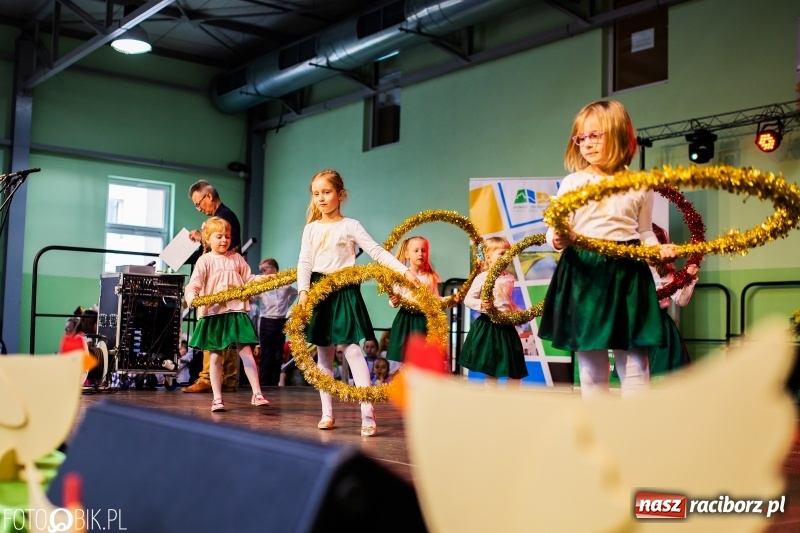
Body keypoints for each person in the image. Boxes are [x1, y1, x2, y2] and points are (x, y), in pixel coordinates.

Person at [537, 100, 677, 398]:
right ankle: (597, 430)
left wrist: (659, 252)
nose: (586, 144)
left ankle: (635, 431)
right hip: (585, 273)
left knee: (636, 360)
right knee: (590, 362)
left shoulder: (639, 184)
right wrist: (558, 238)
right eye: (580, 138)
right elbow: (555, 229)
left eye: (594, 135)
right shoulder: (574, 182)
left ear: (617, 134)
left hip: (627, 273)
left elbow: (643, 232)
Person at [297, 168, 420, 436]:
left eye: (327, 192)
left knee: (352, 349)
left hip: (343, 290)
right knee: (323, 354)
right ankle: (326, 412)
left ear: (340, 194)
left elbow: (376, 251)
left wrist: (405, 271)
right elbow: (305, 260)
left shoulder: (350, 225)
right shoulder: (311, 229)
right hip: (319, 291)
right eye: (316, 193)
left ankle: (367, 412)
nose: (321, 198)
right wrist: (304, 290)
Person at [184, 216, 269, 412]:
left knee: (246, 352)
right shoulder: (204, 260)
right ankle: (217, 398)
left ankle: (257, 393)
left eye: (227, 236)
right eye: (219, 236)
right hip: (214, 313)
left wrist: (266, 280)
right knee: (215, 357)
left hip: (235, 311)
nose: (224, 240)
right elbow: (195, 283)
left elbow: (249, 279)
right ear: (208, 239)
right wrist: (192, 297)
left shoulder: (237, 258)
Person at [183, 180, 242, 394]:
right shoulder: (224, 217)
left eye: (199, 204)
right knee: (226, 331)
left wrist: (203, 239)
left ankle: (208, 377)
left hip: (221, 283)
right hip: (224, 282)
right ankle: (227, 378)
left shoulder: (225, 217)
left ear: (208, 196)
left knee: (213, 328)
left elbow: (227, 248)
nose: (200, 209)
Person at [458, 237, 528, 387]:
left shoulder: (509, 278)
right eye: (502, 253)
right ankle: (493, 405)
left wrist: (519, 312)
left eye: (509, 253)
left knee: (515, 370)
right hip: (489, 327)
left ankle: (510, 403)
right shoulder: (482, 277)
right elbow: (468, 300)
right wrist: (482, 305)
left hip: (506, 327)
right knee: (492, 371)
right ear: (489, 258)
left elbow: (506, 301)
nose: (507, 256)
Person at [386, 235, 455, 368]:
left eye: (423, 250)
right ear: (407, 254)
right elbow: (394, 299)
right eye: (416, 250)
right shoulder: (401, 276)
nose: (420, 254)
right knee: (406, 359)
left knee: (424, 358)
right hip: (406, 319)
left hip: (425, 321)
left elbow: (436, 299)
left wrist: (450, 299)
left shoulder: (431, 277)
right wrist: (393, 301)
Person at [647, 223, 699, 376]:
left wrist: (689, 276)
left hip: (660, 327)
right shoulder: (628, 268)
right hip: (637, 324)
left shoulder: (663, 270)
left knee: (662, 376)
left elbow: (680, 300)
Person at [255, 258, 298, 386]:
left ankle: (274, 383)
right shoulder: (262, 284)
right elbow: (253, 297)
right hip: (266, 321)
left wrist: (287, 306)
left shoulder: (284, 284)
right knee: (267, 353)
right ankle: (264, 383)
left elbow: (294, 293)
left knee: (278, 353)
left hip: (280, 321)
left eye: (264, 270)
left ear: (274, 270)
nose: (262, 273)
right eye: (260, 271)